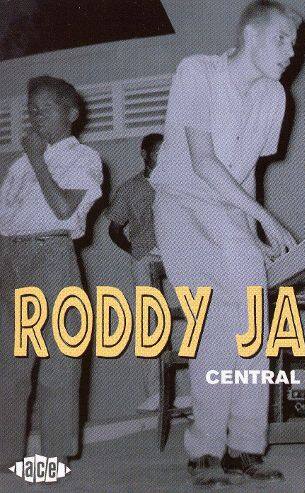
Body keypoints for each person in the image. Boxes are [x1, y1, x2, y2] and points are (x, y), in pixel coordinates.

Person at [150, 0, 301, 487]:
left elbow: (247, 170)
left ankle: (245, 447)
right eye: (282, 39)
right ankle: (205, 450)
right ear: (251, 36)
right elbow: (202, 162)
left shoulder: (274, 96)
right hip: (181, 202)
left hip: (229, 208)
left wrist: (249, 233)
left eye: (294, 43)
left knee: (254, 318)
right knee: (215, 320)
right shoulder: (197, 72)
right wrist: (265, 219)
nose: (292, 52)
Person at [0, 76, 103, 468]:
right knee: (9, 364)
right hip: (11, 258)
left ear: (71, 113)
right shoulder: (18, 166)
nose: (35, 114)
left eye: (45, 107)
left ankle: (54, 456)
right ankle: (5, 454)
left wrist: (38, 159)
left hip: (52, 256)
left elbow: (62, 209)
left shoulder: (84, 158)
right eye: (31, 108)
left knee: (58, 364)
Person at [108, 133, 173, 412]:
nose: (163, 157)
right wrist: (135, 250)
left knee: (190, 313)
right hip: (145, 259)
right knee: (149, 322)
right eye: (157, 152)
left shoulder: (176, 183)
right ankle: (155, 393)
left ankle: (195, 391)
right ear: (145, 154)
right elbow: (114, 229)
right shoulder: (129, 189)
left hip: (177, 257)